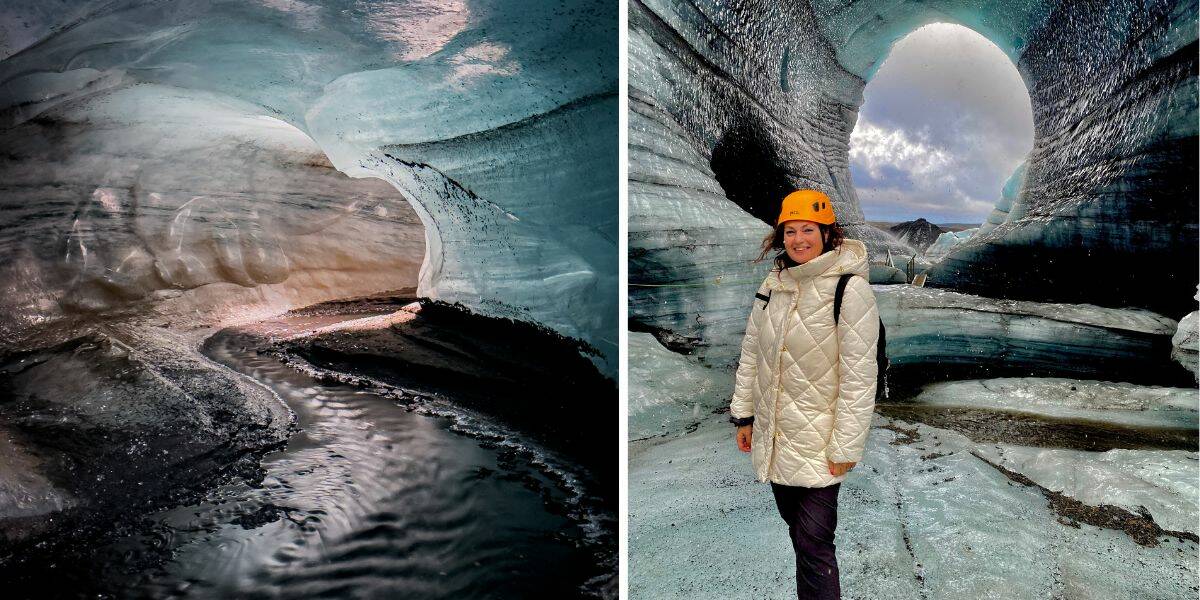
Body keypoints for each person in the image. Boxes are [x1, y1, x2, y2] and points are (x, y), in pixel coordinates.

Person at [729, 188, 879, 600]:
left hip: (820, 442)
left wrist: (845, 446)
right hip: (776, 437)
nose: (799, 239)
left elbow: (859, 376)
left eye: (808, 229)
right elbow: (752, 354)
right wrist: (744, 417)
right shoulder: (774, 285)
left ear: (828, 234)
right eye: (790, 231)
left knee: (814, 545)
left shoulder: (849, 290)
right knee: (799, 535)